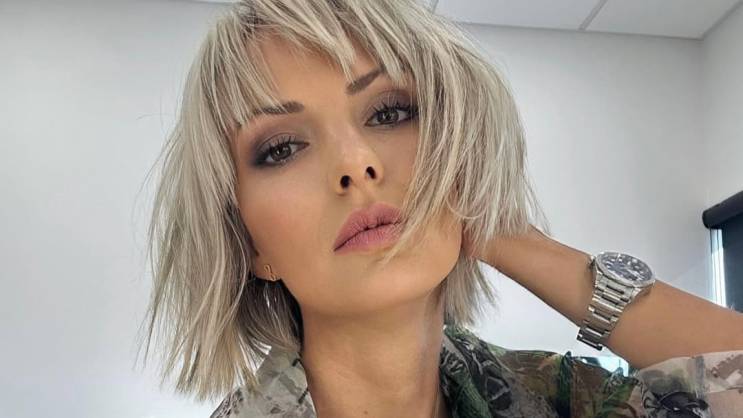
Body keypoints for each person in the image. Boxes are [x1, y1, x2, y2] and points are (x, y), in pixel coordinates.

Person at [136, 0, 743, 417]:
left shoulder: (561, 397)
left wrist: (499, 226)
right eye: (281, 148)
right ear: (251, 245)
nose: (356, 164)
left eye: (390, 113)